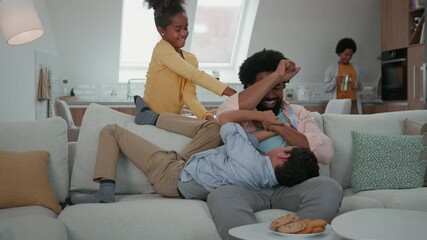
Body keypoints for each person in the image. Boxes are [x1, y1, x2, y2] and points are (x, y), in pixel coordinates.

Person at [208, 49, 343, 240]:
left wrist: (277, 126)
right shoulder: (235, 111)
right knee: (221, 196)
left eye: (277, 87)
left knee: (329, 187)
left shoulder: (298, 113)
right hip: (246, 189)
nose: (271, 94)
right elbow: (223, 116)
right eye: (266, 86)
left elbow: (325, 153)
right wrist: (276, 77)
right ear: (249, 87)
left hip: (289, 187)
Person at [65, 109, 319, 205]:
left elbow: (226, 119)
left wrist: (261, 116)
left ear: (284, 157)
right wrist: (270, 131)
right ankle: (152, 117)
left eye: (284, 147)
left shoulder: (248, 158)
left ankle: (106, 189)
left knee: (112, 131)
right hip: (188, 169)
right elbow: (244, 142)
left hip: (171, 174)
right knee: (210, 129)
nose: (279, 146)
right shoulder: (267, 180)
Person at [134, 0, 236, 124]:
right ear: (161, 30)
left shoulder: (191, 59)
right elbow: (195, 75)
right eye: (178, 29)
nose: (184, 33)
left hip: (171, 119)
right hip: (151, 117)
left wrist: (208, 118)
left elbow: (189, 96)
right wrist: (232, 93)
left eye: (186, 27)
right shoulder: (161, 50)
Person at [324, 37, 363, 114]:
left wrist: (359, 86)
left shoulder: (356, 68)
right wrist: (335, 81)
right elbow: (325, 89)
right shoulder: (331, 69)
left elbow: (361, 87)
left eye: (350, 55)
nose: (348, 57)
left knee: (355, 125)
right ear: (339, 53)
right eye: (346, 55)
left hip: (353, 104)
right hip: (339, 104)